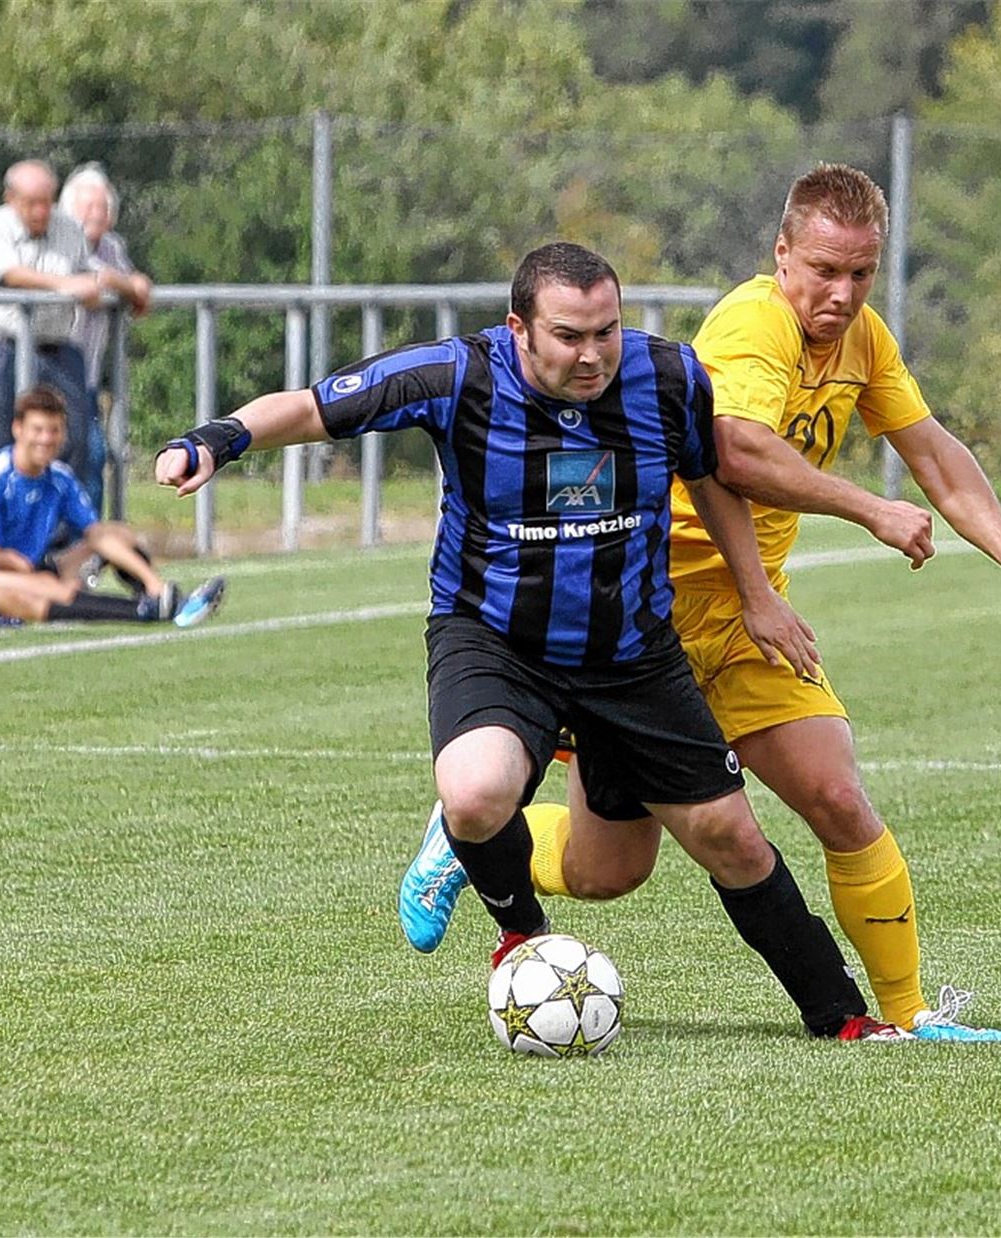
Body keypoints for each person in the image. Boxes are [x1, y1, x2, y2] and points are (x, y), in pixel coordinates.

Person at [156, 240, 912, 1042]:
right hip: (495, 641)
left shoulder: (669, 376)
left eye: (605, 332)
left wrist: (757, 595)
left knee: (689, 850)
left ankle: (841, 1018)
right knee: (476, 792)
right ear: (519, 328)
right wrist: (215, 440)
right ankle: (520, 931)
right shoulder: (457, 375)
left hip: (631, 654)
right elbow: (313, 408)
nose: (592, 356)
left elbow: (711, 478)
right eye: (568, 336)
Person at [401, 169, 1001, 1043]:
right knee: (609, 871)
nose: (842, 294)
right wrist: (871, 509)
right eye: (825, 271)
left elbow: (934, 451)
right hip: (638, 621)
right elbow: (737, 451)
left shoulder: (863, 342)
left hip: (747, 622)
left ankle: (910, 1013)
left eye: (862, 274)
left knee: (836, 795)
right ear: (782, 254)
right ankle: (469, 836)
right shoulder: (753, 325)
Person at [0, 385, 224, 628]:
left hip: (35, 566)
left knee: (117, 534)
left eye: (54, 430)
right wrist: (29, 571)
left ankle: (158, 593)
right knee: (54, 590)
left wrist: (149, 579)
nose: (46, 439)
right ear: (18, 429)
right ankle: (145, 610)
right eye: (38, 430)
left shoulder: (59, 477)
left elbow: (95, 532)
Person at [0, 160, 100, 487]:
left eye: (47, 201)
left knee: (73, 441)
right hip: (0, 349)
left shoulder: (69, 228)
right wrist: (66, 285)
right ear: (10, 198)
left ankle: (64, 519)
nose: (41, 211)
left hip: (57, 348)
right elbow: (11, 274)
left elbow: (90, 273)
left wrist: (127, 286)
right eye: (31, 203)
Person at [59, 163, 154, 515]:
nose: (96, 215)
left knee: (94, 455)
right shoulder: (61, 239)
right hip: (49, 370)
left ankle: (90, 539)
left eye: (103, 207)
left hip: (86, 377)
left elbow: (137, 295)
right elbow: (95, 280)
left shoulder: (112, 246)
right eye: (88, 207)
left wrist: (129, 285)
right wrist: (124, 283)